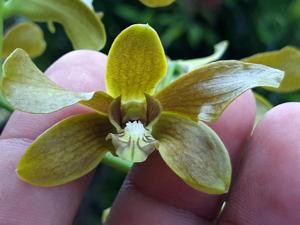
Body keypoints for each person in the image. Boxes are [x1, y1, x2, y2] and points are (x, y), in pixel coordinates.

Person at [0, 51, 299, 225]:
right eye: (127, 120)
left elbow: (214, 176)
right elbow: (37, 165)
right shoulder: (90, 128)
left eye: (139, 120)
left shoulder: (181, 135)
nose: (132, 126)